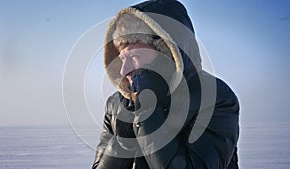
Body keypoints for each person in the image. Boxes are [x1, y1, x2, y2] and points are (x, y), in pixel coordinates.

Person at [92, 0, 239, 168]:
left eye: (135, 57)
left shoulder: (214, 97)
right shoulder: (117, 104)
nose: (124, 70)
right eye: (123, 59)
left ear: (167, 53)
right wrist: (122, 143)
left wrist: (148, 113)